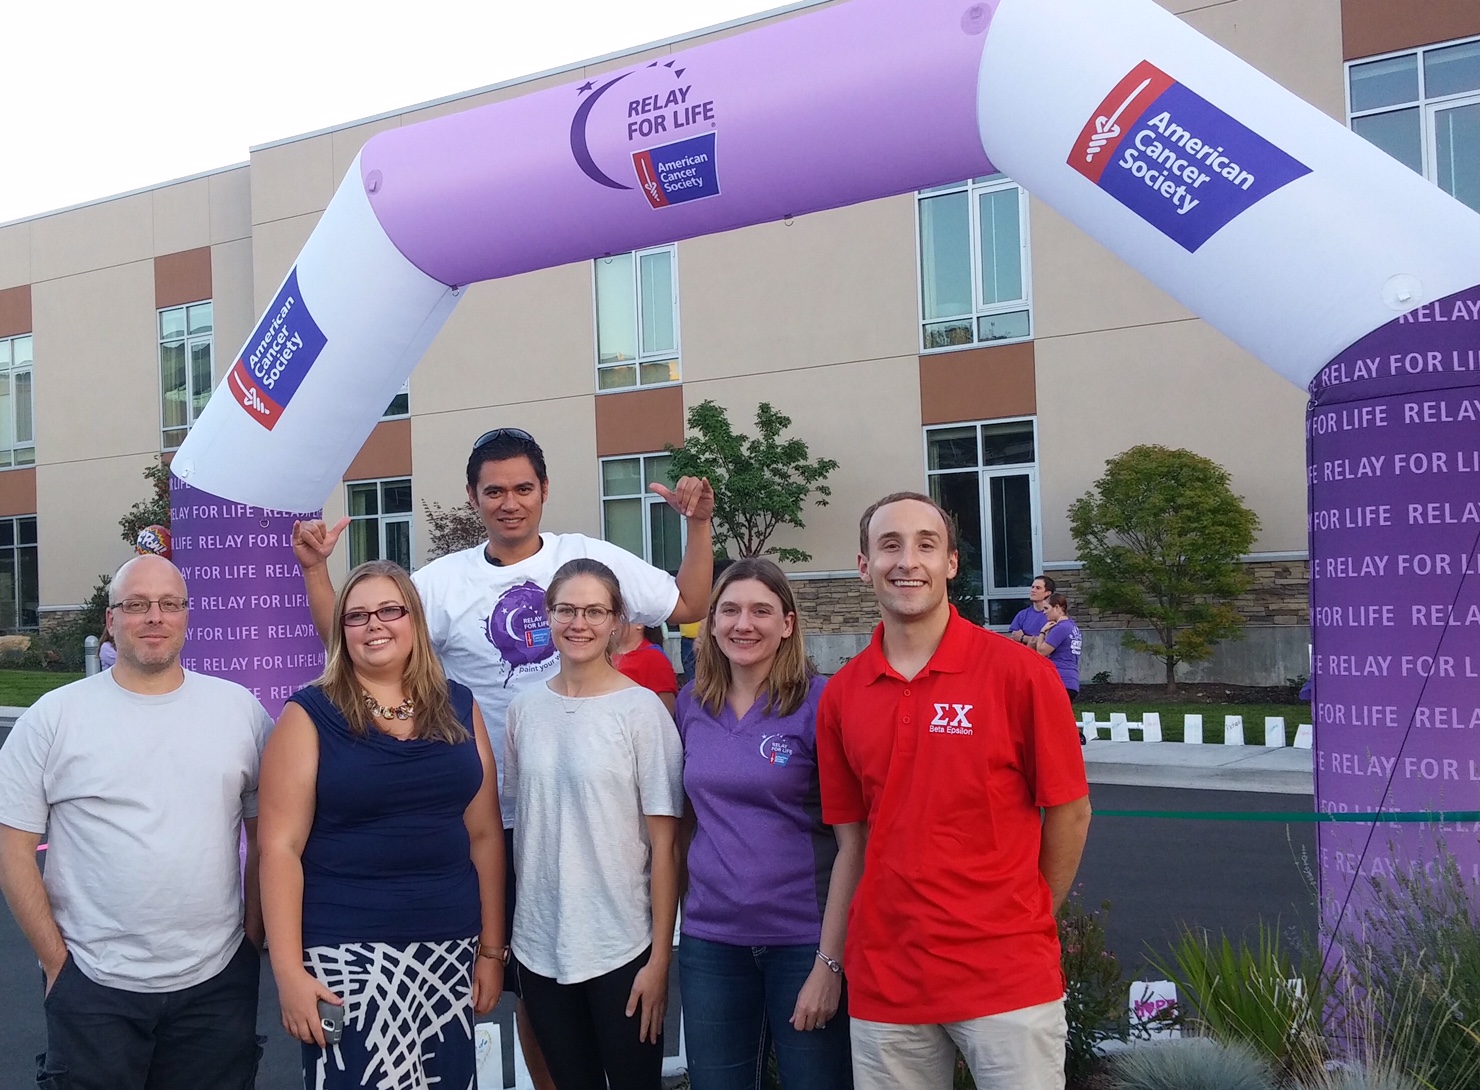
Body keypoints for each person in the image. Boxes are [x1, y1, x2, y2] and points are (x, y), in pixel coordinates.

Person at [291, 427, 713, 1087]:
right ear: (473, 496)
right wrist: (317, 572)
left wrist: (699, 526)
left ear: (544, 490)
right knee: (533, 990)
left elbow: (689, 604)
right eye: (494, 491)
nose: (509, 502)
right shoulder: (444, 582)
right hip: (503, 813)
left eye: (522, 488)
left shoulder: (586, 556)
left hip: (596, 807)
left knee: (616, 977)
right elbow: (352, 639)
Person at [816, 493, 1092, 1090]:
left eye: (925, 544)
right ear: (864, 565)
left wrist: (1028, 916)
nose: (906, 561)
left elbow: (1070, 813)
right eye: (889, 545)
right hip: (887, 980)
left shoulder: (1021, 675)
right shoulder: (841, 694)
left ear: (951, 563)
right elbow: (853, 841)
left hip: (1006, 977)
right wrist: (832, 960)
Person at [0, 554, 272, 1090]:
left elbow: (268, 838)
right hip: (93, 986)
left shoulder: (239, 711)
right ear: (110, 619)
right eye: (136, 605)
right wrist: (57, 966)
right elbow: (13, 849)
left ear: (187, 616)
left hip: (216, 982)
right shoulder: (53, 718)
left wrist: (252, 941)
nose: (154, 616)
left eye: (169, 604)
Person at [259, 560, 505, 1090]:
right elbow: (279, 848)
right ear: (340, 631)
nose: (375, 624)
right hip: (346, 957)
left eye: (390, 610)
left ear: (413, 620)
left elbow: (484, 834)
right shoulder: (308, 715)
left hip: (450, 951)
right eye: (357, 616)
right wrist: (287, 973)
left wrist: (491, 949)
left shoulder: (460, 706)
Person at [677, 557, 863, 1090]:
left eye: (761, 611)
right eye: (730, 610)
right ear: (711, 622)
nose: (744, 624)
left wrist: (830, 963)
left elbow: (855, 841)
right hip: (711, 944)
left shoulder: (819, 704)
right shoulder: (691, 704)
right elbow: (686, 821)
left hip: (802, 941)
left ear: (787, 624)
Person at [504, 558, 683, 1090]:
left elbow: (666, 847)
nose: (578, 623)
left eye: (594, 611)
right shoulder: (524, 710)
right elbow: (520, 822)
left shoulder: (642, 712)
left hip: (621, 946)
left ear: (615, 620)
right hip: (539, 944)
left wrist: (658, 961)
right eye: (566, 609)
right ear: (548, 616)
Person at [616, 622, 679, 716]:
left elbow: (666, 714)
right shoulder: (603, 654)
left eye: (620, 616)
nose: (613, 621)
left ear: (640, 624)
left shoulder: (655, 658)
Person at [1030, 593, 1083, 700]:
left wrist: (1042, 632)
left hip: (1059, 680)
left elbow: (1041, 652)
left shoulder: (1061, 628)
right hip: (1071, 680)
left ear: (1057, 607)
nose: (1044, 612)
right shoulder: (1072, 626)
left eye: (1046, 608)